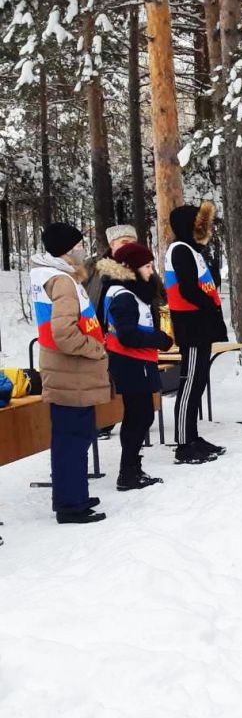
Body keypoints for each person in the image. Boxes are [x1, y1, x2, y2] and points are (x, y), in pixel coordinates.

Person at [30, 223, 109, 524]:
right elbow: (63, 332)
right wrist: (94, 347)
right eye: (78, 244)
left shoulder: (50, 276)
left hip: (65, 371)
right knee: (73, 439)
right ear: (66, 249)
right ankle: (71, 505)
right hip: (70, 371)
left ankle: (72, 494)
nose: (82, 249)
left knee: (72, 438)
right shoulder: (61, 281)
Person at [98, 242, 174, 488]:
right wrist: (159, 339)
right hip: (131, 362)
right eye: (148, 266)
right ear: (131, 268)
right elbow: (127, 335)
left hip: (140, 361)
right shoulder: (122, 294)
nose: (152, 271)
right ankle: (128, 471)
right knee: (138, 417)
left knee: (141, 416)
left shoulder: (132, 290)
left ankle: (131, 468)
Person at [165, 202, 228, 463]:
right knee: (190, 382)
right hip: (191, 325)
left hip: (201, 325)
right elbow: (188, 289)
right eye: (199, 224)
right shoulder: (179, 250)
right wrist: (208, 304)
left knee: (199, 380)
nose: (205, 229)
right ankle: (183, 443)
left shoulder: (192, 250)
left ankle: (192, 436)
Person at [83, 224, 138, 310]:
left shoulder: (143, 265)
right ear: (112, 244)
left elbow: (158, 296)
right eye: (125, 242)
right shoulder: (91, 265)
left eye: (133, 243)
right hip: (98, 321)